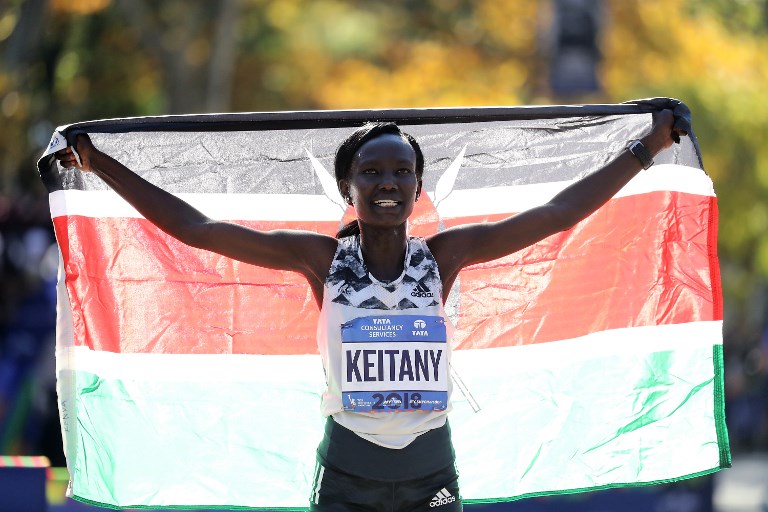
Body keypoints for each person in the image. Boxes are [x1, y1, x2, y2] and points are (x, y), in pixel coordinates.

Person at [55, 108, 684, 512]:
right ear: (347, 186)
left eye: (401, 172)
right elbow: (199, 227)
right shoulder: (322, 261)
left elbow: (554, 217)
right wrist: (100, 163)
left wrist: (647, 147)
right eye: (372, 171)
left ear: (417, 186)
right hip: (349, 471)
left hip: (429, 468)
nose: (387, 182)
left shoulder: (444, 257)